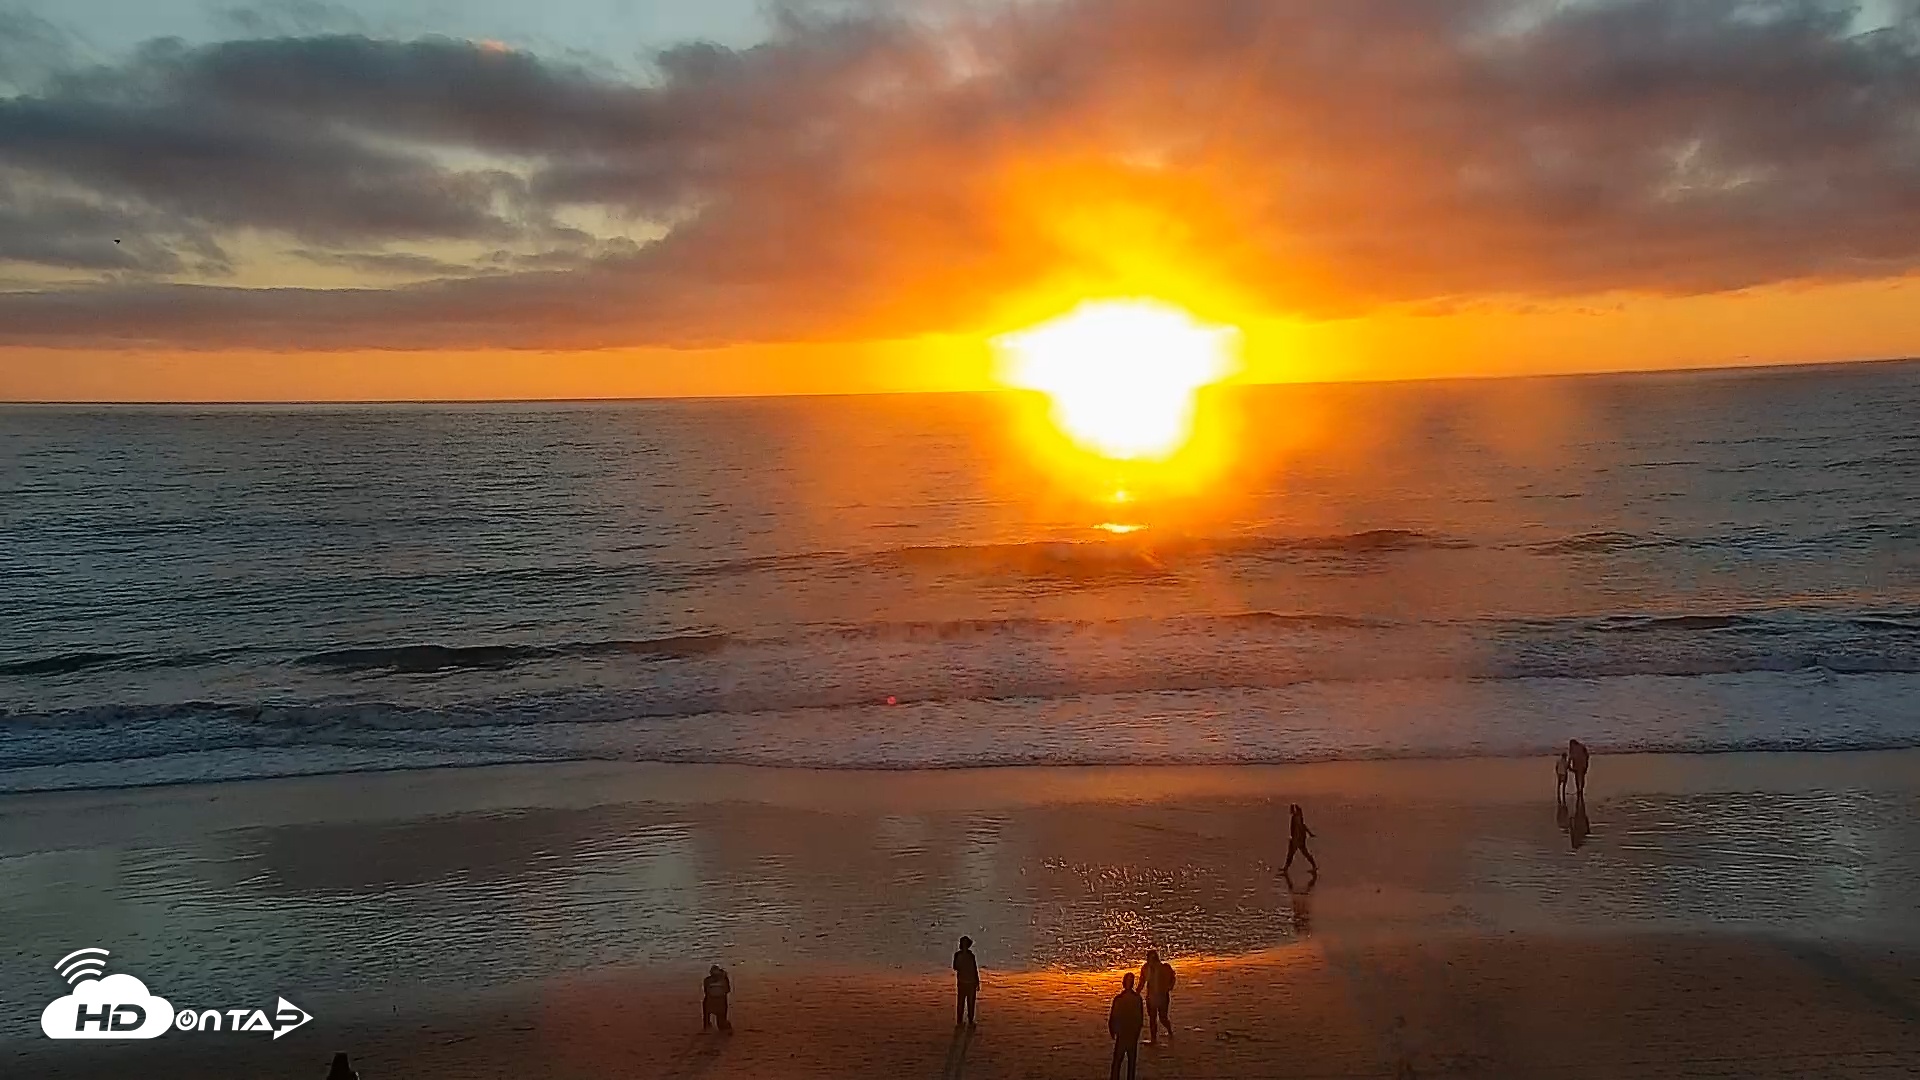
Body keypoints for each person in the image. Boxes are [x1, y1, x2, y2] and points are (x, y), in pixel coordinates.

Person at [1108, 972, 1145, 1080]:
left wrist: (1112, 1030)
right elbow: (1140, 1019)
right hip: (1131, 1033)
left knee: (1117, 1061)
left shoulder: (1119, 998)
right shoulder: (1137, 998)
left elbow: (1113, 1016)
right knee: (1131, 1062)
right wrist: (1137, 1032)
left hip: (1123, 1033)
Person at [1137, 950, 1176, 1044]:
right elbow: (1142, 982)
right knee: (1152, 1018)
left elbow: (1173, 978)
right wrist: (1136, 992)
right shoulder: (1145, 968)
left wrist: (1169, 987)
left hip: (1162, 996)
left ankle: (1170, 1031)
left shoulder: (1165, 967)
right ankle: (1153, 1039)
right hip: (1151, 997)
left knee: (1163, 1018)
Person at [1283, 803, 1318, 873]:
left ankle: (1286, 868)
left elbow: (1300, 828)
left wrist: (1308, 833)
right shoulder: (1298, 817)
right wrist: (1309, 833)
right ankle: (1285, 868)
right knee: (1294, 853)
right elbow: (1303, 826)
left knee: (1294, 853)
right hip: (1298, 839)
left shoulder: (1296, 818)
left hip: (1297, 839)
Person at [953, 935, 979, 1028]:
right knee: (962, 1002)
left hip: (969, 982)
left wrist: (977, 982)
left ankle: (969, 1020)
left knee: (969, 1002)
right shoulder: (961, 955)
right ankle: (961, 1020)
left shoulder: (969, 956)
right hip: (964, 982)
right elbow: (955, 967)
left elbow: (974, 969)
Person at [702, 964, 732, 1033]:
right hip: (720, 1002)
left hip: (710, 1002)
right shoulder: (724, 980)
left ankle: (707, 1024)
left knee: (706, 1008)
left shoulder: (707, 980)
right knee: (721, 1024)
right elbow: (727, 990)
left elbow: (706, 991)